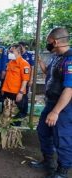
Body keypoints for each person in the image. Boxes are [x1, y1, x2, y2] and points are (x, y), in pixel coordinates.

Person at [29, 27, 72, 178]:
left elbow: (69, 89)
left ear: (54, 42)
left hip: (64, 107)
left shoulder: (70, 59)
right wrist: (39, 61)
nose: (47, 45)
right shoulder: (56, 56)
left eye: (48, 42)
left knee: (62, 137)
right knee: (43, 131)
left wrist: (56, 112)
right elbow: (48, 72)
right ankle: (48, 162)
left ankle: (63, 171)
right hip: (51, 103)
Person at [1, 44, 30, 126]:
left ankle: (14, 133)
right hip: (7, 92)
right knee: (6, 112)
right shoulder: (11, 62)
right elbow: (7, 77)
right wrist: (3, 89)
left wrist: (20, 93)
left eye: (11, 51)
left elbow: (25, 80)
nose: (9, 53)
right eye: (9, 51)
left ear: (18, 52)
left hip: (17, 93)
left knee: (16, 115)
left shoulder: (24, 64)